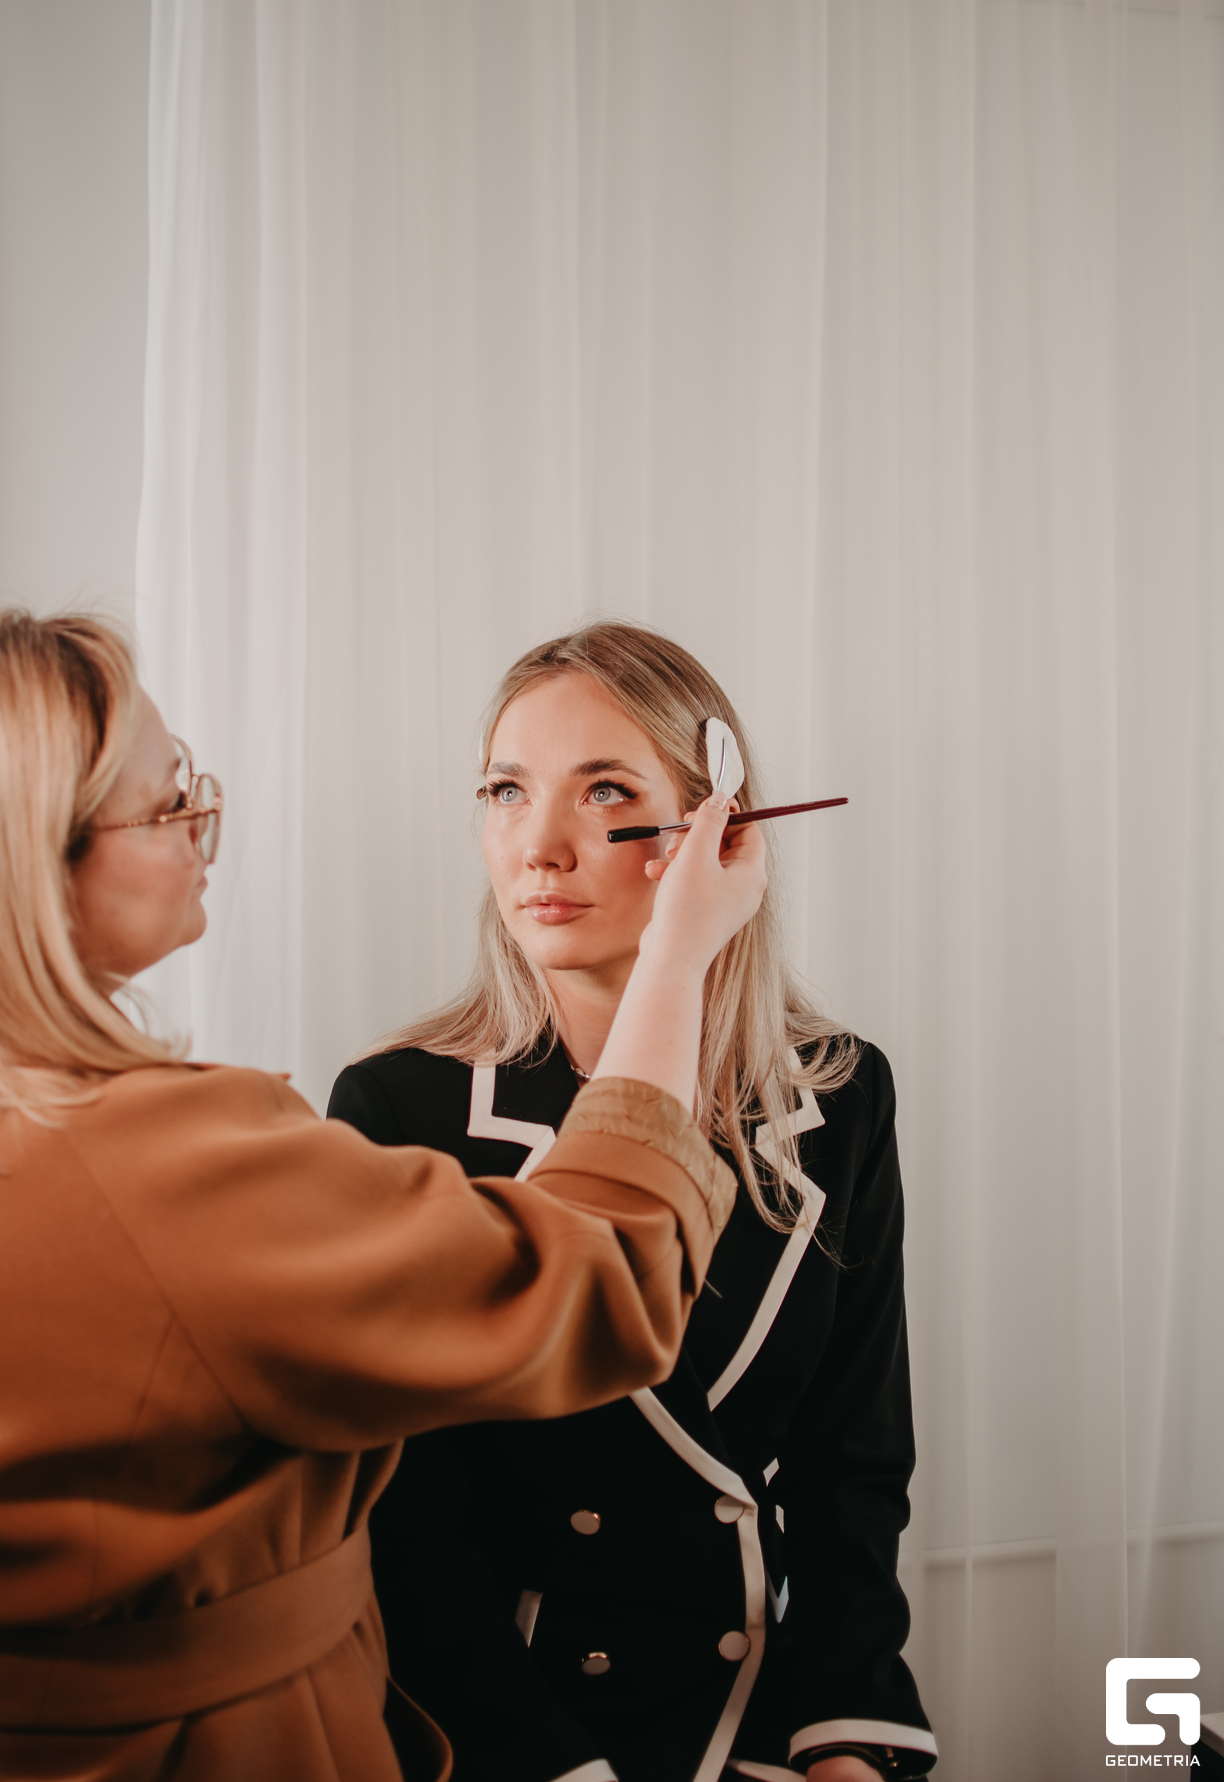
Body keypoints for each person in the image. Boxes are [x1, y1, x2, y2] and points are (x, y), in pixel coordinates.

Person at [0, 608, 766, 1781]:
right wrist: (677, 959)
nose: (206, 822)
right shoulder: (203, 1152)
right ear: (30, 852)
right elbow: (604, 1279)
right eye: (168, 802)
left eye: (602, 791)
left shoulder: (3, 1120)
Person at [329, 623, 937, 1782]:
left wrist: (846, 1743)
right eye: (506, 791)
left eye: (604, 790)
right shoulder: (397, 1106)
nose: (539, 846)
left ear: (720, 832)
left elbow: (851, 1472)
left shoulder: (841, 1095)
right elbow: (405, 1532)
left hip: (758, 1718)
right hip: (520, 1733)